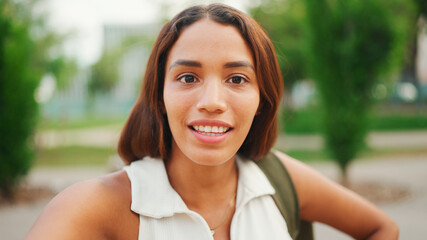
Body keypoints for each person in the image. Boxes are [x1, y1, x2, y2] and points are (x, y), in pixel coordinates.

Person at [25, 3, 398, 240]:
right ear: (160, 95)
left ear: (261, 101)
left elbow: (382, 228)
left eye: (237, 79)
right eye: (188, 78)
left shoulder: (279, 179)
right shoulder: (99, 205)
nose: (212, 103)